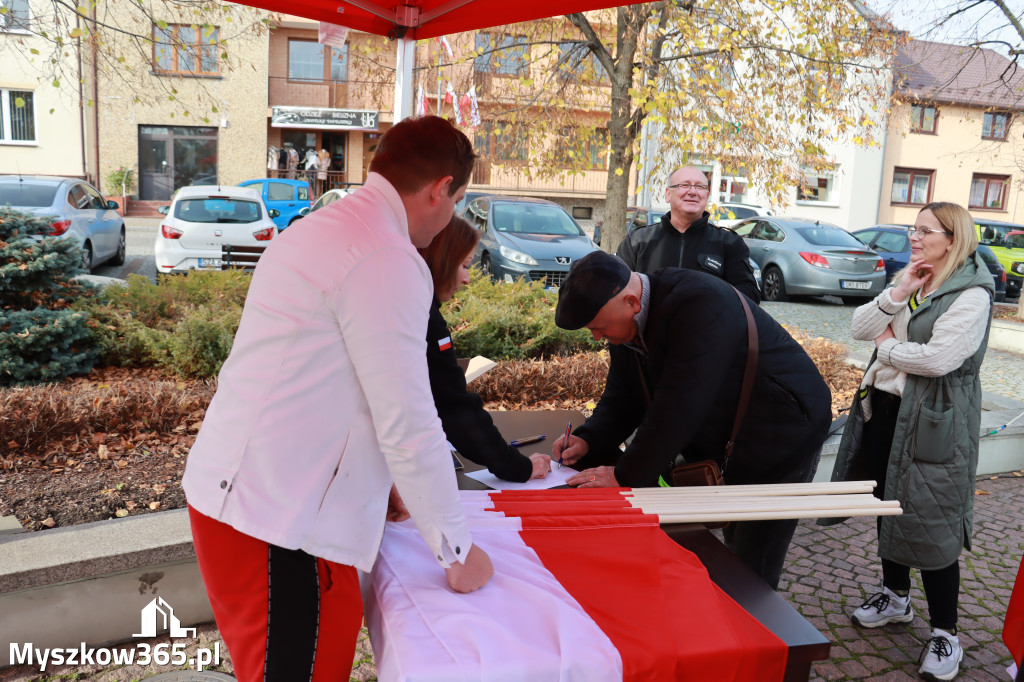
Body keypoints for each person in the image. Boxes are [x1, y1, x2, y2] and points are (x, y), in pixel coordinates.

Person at [182, 116, 494, 682]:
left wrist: (383, 485)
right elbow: (408, 420)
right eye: (459, 199)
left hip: (252, 503)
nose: (453, 216)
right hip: (278, 523)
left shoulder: (330, 224)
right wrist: (456, 549)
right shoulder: (388, 255)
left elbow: (337, 382)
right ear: (440, 188)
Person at [550, 250, 831, 589]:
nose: (597, 337)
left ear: (631, 302)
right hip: (731, 432)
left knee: (752, 559)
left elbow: (679, 405)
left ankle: (759, 631)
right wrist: (589, 438)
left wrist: (624, 476)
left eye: (599, 327)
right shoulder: (626, 320)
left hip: (784, 434)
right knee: (721, 550)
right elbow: (624, 394)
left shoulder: (700, 304)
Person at [831, 202, 994, 681]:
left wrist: (886, 347)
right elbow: (858, 327)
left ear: (952, 237)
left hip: (935, 420)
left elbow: (939, 359)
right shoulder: (917, 278)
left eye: (925, 230)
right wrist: (899, 290)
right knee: (887, 503)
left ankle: (947, 634)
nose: (914, 236)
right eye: (914, 228)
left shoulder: (973, 294)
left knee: (931, 516)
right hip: (886, 411)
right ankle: (896, 597)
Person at [418, 216, 551, 482]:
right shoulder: (423, 316)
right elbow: (453, 404)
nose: (467, 279)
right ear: (442, 261)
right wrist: (518, 467)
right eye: (464, 266)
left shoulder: (411, 305)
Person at [616, 166, 760, 303]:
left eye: (699, 186)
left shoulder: (729, 243)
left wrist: (711, 296)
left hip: (707, 327)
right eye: (684, 185)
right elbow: (616, 289)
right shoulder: (637, 241)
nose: (692, 192)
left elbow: (750, 295)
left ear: (707, 196)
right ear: (668, 194)